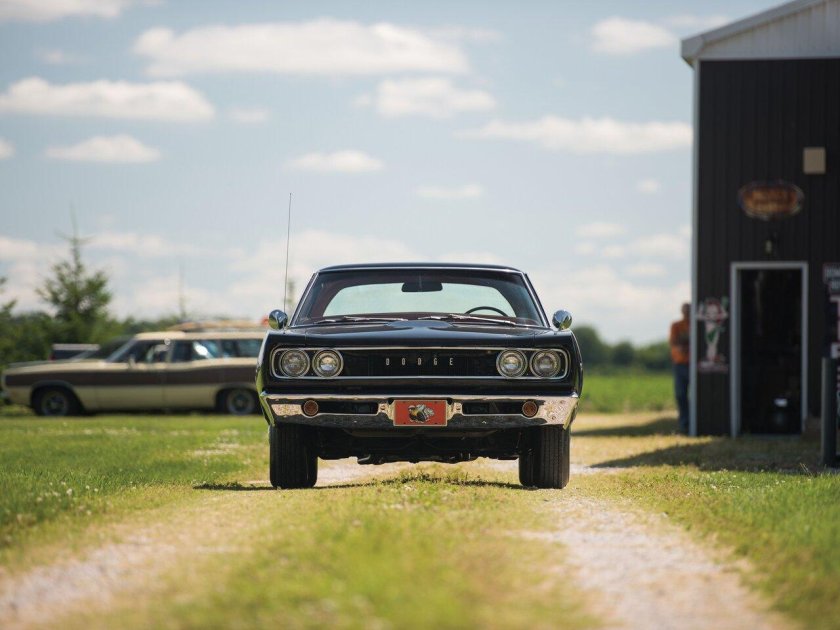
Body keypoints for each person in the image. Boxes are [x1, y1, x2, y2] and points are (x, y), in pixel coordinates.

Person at [670, 303, 691, 434]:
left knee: (695, 396)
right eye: (685, 311)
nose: (687, 313)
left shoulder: (695, 325)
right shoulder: (676, 326)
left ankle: (694, 421)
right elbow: (675, 342)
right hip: (679, 364)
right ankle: (684, 423)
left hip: (693, 364)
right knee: (680, 394)